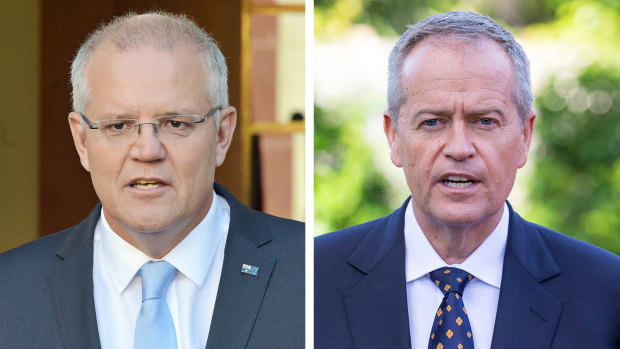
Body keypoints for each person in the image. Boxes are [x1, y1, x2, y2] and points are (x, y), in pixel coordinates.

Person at [315, 11, 620, 349]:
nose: (459, 149)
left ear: (524, 136)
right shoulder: (313, 278)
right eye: (433, 122)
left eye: (484, 121)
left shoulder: (607, 293)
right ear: (393, 137)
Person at [0, 11, 304, 349]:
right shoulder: (8, 291)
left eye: (175, 123)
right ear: (82, 140)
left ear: (222, 133)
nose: (147, 150)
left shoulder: (309, 271)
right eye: (118, 126)